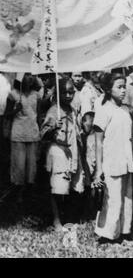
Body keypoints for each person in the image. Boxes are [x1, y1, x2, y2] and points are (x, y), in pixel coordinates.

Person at [93, 73, 133, 243]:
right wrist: (99, 169)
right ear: (109, 89)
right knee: (113, 199)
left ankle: (124, 232)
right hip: (111, 160)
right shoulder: (104, 110)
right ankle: (107, 235)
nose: (123, 90)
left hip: (126, 160)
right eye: (119, 87)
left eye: (125, 86)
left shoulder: (124, 109)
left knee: (127, 198)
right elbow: (99, 142)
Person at [41, 78, 79, 231]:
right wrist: (51, 128)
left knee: (69, 185)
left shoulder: (72, 109)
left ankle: (67, 217)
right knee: (57, 187)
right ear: (58, 93)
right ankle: (56, 221)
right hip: (58, 151)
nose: (68, 95)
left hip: (71, 150)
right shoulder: (53, 110)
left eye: (71, 92)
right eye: (65, 92)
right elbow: (42, 135)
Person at [7, 74, 43, 205]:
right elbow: (7, 115)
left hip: (32, 133)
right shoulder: (13, 94)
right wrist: (15, 110)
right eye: (26, 75)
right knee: (19, 166)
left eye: (31, 76)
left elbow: (38, 115)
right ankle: (18, 192)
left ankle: (29, 192)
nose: (30, 79)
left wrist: (40, 133)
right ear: (20, 77)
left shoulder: (36, 95)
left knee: (31, 166)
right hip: (18, 134)